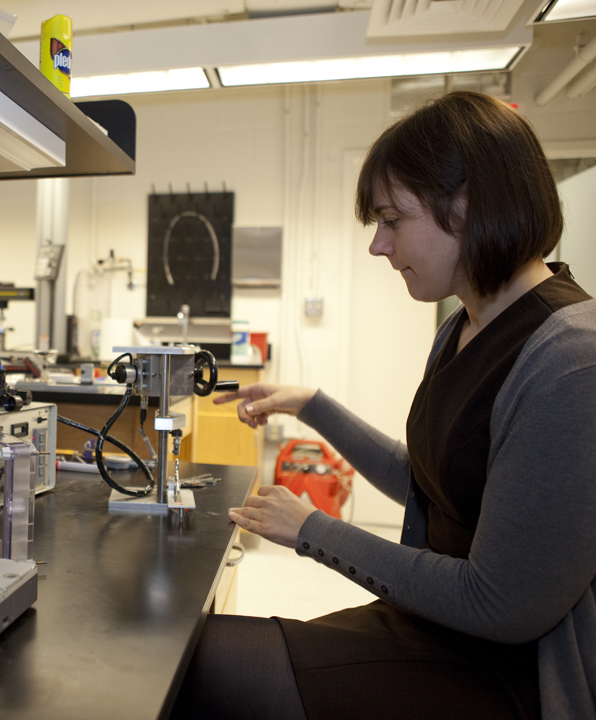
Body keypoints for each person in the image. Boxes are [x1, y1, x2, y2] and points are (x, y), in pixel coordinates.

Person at [172, 91, 596, 720]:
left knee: (198, 671)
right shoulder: (463, 327)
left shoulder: (570, 360)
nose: (378, 245)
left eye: (393, 220)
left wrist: (313, 530)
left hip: (506, 675)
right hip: (431, 627)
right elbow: (432, 486)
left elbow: (502, 604)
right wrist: (312, 404)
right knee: (191, 651)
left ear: (469, 204)